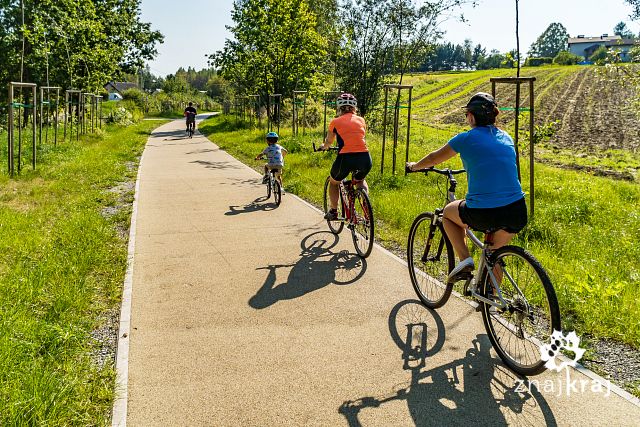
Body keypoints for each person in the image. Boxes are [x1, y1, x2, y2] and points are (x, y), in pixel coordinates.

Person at [406, 92, 527, 281]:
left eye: (466, 115)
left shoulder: (465, 139)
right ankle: (492, 302)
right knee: (494, 254)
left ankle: (465, 260)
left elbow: (432, 158)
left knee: (448, 213)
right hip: (517, 210)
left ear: (471, 116)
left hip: (484, 212)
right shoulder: (506, 137)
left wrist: (414, 167)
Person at [318, 93, 372, 220]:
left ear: (339, 107)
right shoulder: (362, 120)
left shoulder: (335, 122)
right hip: (365, 158)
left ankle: (333, 211)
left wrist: (323, 147)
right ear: (354, 107)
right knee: (360, 181)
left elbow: (329, 142)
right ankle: (368, 211)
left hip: (345, 158)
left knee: (334, 182)